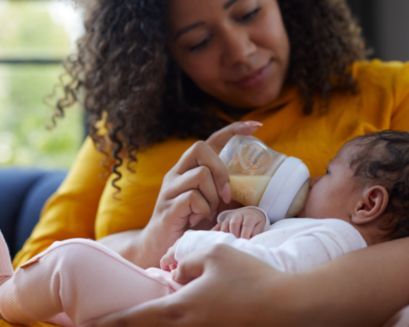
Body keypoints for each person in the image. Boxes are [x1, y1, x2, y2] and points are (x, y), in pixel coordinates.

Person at [9, 0, 409, 325]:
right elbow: (32, 270)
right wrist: (150, 241)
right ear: (163, 52)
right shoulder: (123, 131)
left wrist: (279, 298)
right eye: (198, 41)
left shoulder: (390, 93)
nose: (241, 51)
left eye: (249, 13)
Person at [1, 130, 409, 326]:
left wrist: (205, 238)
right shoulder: (322, 235)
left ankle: (7, 296)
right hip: (168, 288)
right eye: (197, 41)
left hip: (189, 298)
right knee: (81, 293)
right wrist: (252, 221)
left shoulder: (339, 238)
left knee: (72, 262)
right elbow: (281, 255)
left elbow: (259, 274)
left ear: (368, 203)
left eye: (327, 174)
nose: (314, 182)